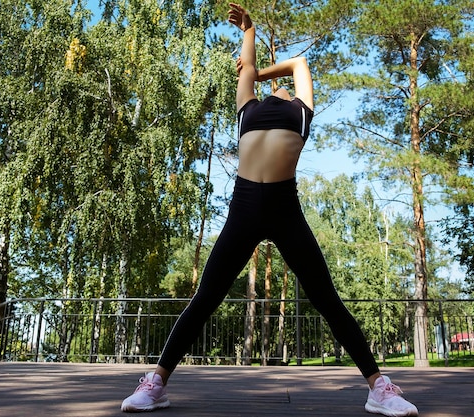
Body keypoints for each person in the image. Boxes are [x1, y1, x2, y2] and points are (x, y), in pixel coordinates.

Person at [121, 4, 418, 416]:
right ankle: (156, 384)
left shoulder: (301, 111)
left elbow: (298, 62)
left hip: (284, 208)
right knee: (206, 296)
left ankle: (379, 387)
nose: (275, 86)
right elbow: (248, 67)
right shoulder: (247, 111)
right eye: (263, 84)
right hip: (243, 207)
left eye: (279, 84)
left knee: (326, 299)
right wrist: (250, 30)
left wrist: (257, 72)